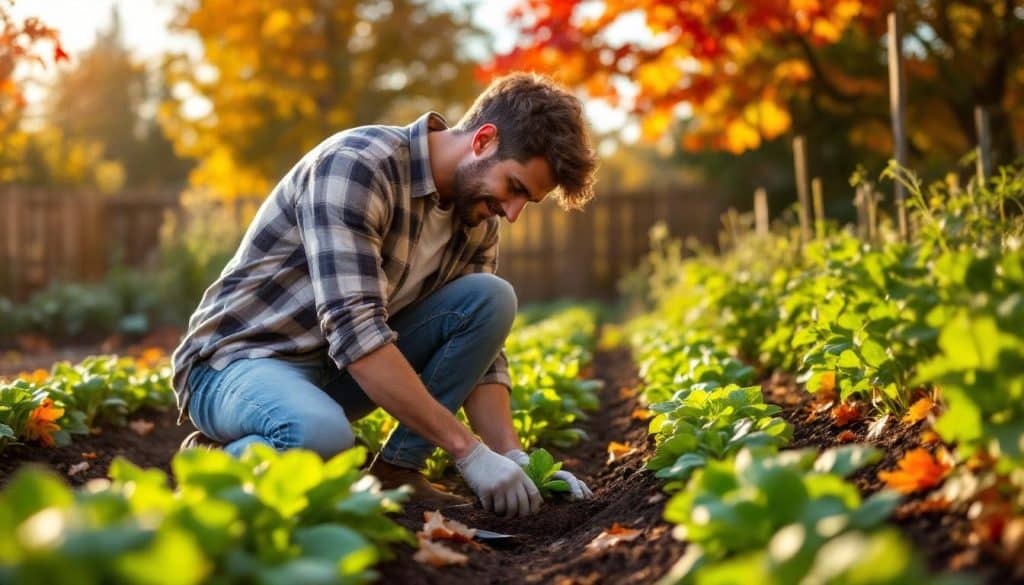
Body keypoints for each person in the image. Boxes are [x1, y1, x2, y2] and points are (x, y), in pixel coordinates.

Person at [170, 72, 598, 518]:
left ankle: (397, 470)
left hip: (329, 372)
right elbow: (356, 333)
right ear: (483, 140)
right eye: (515, 188)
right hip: (238, 363)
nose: (512, 214)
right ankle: (211, 464)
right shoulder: (357, 166)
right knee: (323, 438)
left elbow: (483, 357)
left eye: (527, 202)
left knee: (491, 299)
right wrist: (467, 452)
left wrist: (515, 458)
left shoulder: (477, 219)